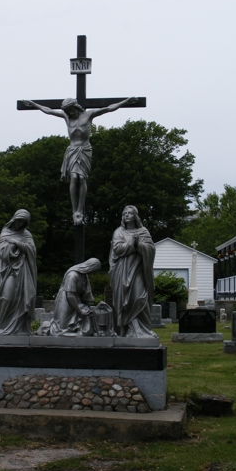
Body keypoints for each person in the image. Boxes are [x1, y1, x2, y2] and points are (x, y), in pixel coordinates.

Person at [22, 97, 138, 225]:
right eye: (68, 111)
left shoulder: (89, 115)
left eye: (71, 110)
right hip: (72, 150)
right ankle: (74, 211)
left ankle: (80, 210)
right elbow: (49, 110)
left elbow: (109, 108)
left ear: (76, 107)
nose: (70, 113)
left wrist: (126, 101)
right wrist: (33, 104)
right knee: (74, 177)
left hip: (85, 150)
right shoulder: (67, 117)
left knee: (81, 178)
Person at [109, 206, 157, 338]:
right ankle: (129, 329)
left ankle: (144, 329)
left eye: (130, 213)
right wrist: (132, 243)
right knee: (125, 301)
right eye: (125, 213)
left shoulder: (143, 231)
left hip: (138, 270)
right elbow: (117, 249)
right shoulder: (118, 232)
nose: (127, 215)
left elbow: (151, 249)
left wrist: (139, 245)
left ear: (135, 216)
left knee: (140, 297)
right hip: (123, 271)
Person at [0, 209, 37, 336]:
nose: (20, 224)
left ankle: (21, 328)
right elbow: (3, 253)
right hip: (9, 270)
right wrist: (14, 247)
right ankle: (4, 327)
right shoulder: (5, 233)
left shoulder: (27, 234)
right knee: (7, 298)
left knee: (24, 299)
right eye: (19, 221)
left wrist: (17, 243)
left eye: (23, 222)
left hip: (24, 271)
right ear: (14, 219)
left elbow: (32, 251)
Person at [50, 258, 101, 336]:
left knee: (85, 321)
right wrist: (79, 309)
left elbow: (86, 294)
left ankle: (79, 330)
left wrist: (85, 306)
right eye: (94, 271)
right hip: (66, 300)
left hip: (77, 300)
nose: (94, 274)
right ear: (90, 267)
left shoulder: (84, 277)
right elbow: (70, 295)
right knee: (62, 328)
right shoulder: (72, 275)